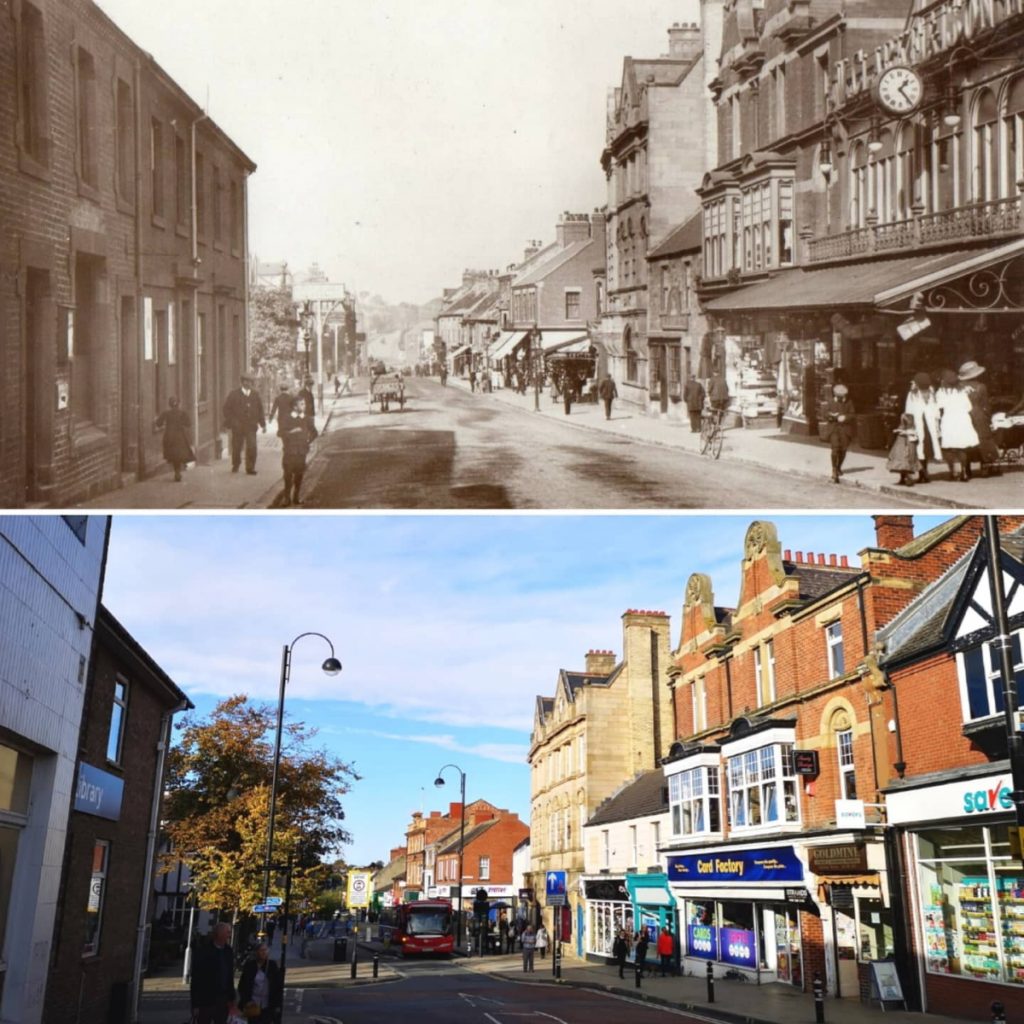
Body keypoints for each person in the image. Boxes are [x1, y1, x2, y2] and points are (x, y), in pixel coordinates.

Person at [959, 360, 1001, 477]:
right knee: (984, 440)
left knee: (966, 442)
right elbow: (985, 405)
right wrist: (988, 417)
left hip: (964, 416)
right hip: (979, 415)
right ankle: (985, 468)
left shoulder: (958, 387)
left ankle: (966, 469)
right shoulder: (981, 387)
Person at [937, 369, 979, 481]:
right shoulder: (962, 391)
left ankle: (952, 472)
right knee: (962, 447)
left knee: (949, 447)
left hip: (949, 420)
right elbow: (969, 407)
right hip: (963, 420)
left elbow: (939, 407)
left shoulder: (941, 392)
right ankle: (964, 473)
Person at [190, 921, 236, 1024]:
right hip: (206, 1000)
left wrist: (231, 998)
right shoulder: (204, 951)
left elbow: (229, 976)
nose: (229, 935)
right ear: (219, 934)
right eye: (227, 932)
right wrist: (195, 1005)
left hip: (223, 1000)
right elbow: (197, 979)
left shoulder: (228, 951)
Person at [222, 373, 266, 475]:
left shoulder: (255, 395)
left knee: (252, 446)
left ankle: (250, 468)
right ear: (242, 382)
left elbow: (260, 410)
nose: (249, 383)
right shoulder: (234, 394)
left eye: (251, 382)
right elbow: (226, 409)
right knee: (237, 446)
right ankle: (236, 464)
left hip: (251, 426)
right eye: (247, 381)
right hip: (238, 426)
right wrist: (233, 421)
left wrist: (263, 424)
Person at [278, 400, 319, 507]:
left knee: (299, 475)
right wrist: (291, 433)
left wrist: (307, 442)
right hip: (289, 451)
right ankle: (287, 498)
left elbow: (315, 433)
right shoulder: (287, 418)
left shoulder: (307, 419)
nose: (304, 406)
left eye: (304, 404)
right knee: (287, 474)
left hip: (301, 452)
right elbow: (280, 432)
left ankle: (296, 496)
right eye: (302, 404)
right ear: (295, 406)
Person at [904, 372, 941, 484]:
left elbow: (909, 410)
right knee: (926, 449)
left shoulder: (913, 394)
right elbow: (936, 410)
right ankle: (925, 472)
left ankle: (923, 474)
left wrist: (909, 426)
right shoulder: (932, 392)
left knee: (919, 450)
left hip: (919, 424)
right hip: (929, 425)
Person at [237, 942, 282, 1024]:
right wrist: (247, 1001)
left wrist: (277, 1005)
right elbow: (242, 986)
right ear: (256, 952)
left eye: (265, 950)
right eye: (261, 950)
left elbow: (277, 986)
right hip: (253, 1005)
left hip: (267, 1005)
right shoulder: (250, 966)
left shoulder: (272, 966)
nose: (264, 952)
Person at [153, 396, 194, 482]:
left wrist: (159, 422)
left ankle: (177, 472)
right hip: (179, 436)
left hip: (169, 437)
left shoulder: (166, 413)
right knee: (179, 454)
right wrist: (181, 423)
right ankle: (178, 472)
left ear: (170, 404)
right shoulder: (182, 413)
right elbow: (189, 424)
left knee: (174, 455)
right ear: (178, 404)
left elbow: (158, 423)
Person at [822, 382, 855, 483]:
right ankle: (834, 469)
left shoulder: (849, 402)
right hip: (834, 429)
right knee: (835, 449)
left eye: (843, 396)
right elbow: (824, 414)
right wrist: (833, 416)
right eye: (839, 396)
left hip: (845, 430)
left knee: (843, 450)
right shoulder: (830, 402)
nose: (841, 398)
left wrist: (845, 417)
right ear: (835, 395)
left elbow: (853, 414)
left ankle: (839, 467)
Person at [886, 413, 920, 487]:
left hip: (907, 445)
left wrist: (904, 432)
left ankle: (908, 478)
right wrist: (898, 430)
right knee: (902, 461)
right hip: (901, 444)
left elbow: (914, 432)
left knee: (906, 461)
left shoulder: (912, 426)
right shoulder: (903, 425)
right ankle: (903, 478)